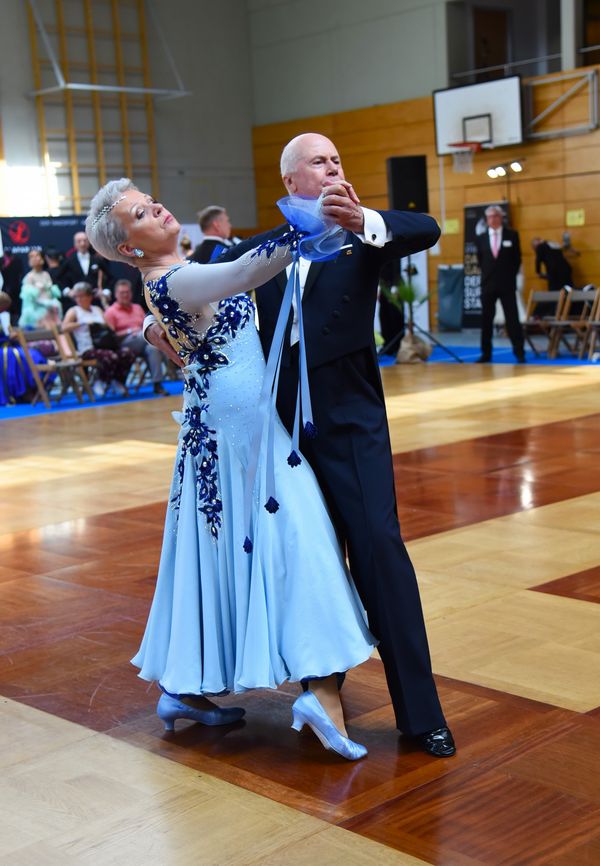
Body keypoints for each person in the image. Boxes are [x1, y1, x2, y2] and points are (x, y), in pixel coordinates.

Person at [146, 133, 455, 758]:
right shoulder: (261, 250)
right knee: (308, 563)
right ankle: (322, 693)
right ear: (292, 182)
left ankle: (422, 717)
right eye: (319, 161)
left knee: (379, 553)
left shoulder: (364, 237)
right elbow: (197, 296)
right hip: (278, 434)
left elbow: (425, 228)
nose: (334, 166)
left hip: (349, 426)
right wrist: (156, 326)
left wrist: (363, 218)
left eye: (339, 158)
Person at [86, 177, 377, 761]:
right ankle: (320, 691)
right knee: (298, 541)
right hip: (235, 444)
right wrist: (310, 223)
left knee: (235, 553)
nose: (159, 207)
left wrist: (151, 328)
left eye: (151, 198)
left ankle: (184, 691)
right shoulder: (175, 278)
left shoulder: (170, 279)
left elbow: (215, 293)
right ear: (129, 248)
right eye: (143, 212)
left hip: (237, 433)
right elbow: (244, 273)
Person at [61, 282, 135, 397]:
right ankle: (101, 379)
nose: (79, 299)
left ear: (89, 296)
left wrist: (100, 323)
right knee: (110, 356)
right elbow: (63, 327)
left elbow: (109, 327)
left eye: (82, 296)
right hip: (87, 348)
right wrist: (81, 323)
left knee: (128, 353)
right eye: (77, 296)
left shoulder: (97, 309)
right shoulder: (74, 311)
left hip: (104, 345)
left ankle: (117, 380)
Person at [475, 205, 525, 363]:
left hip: (507, 284)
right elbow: (480, 260)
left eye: (496, 216)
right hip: (488, 284)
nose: (493, 219)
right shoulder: (481, 238)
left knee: (512, 319)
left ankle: (519, 352)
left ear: (501, 217)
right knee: (486, 320)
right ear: (487, 219)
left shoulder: (512, 235)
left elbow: (517, 259)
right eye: (490, 216)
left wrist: (508, 276)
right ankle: (486, 353)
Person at [104, 279, 167, 396]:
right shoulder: (110, 311)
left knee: (153, 349)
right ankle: (168, 352)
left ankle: (157, 384)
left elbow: (147, 325)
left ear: (131, 293)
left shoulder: (137, 307)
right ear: (116, 294)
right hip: (123, 342)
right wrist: (129, 331)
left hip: (143, 340)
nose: (125, 295)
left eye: (127, 292)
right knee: (149, 338)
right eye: (122, 292)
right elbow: (111, 337)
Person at [18, 249, 62, 329]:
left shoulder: (46, 274)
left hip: (51, 309)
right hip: (37, 310)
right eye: (32, 256)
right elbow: (28, 299)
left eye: (37, 255)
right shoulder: (29, 277)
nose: (35, 258)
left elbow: (52, 292)